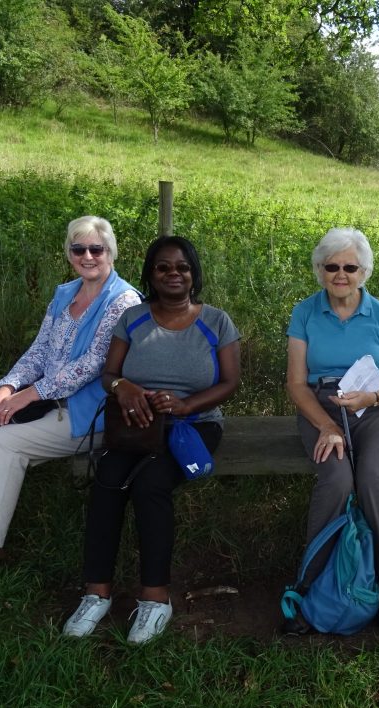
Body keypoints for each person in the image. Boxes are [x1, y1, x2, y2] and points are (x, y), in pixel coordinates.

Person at [0, 216, 140, 598]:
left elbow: (93, 365)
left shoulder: (123, 301)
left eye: (96, 249)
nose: (88, 256)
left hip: (88, 414)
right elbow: (39, 350)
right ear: (69, 253)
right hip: (46, 402)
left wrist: (29, 395)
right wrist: (6, 389)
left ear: (110, 251)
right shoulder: (65, 294)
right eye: (78, 248)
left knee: (4, 444)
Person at [62, 235, 241, 644]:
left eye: (182, 267)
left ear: (193, 274)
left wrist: (185, 404)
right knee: (108, 480)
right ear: (151, 274)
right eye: (163, 267)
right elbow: (109, 375)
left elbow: (231, 382)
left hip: (193, 425)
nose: (173, 274)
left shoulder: (216, 321)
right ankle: (96, 593)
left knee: (151, 483)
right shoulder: (134, 318)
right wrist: (123, 387)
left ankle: (155, 599)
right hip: (137, 424)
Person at [283, 227, 379, 643]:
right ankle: (309, 588)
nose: (341, 275)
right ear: (320, 270)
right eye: (332, 267)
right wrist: (327, 425)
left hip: (373, 408)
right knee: (337, 479)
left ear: (364, 271)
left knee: (373, 479)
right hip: (321, 407)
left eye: (350, 267)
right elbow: (296, 384)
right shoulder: (305, 313)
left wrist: (372, 397)